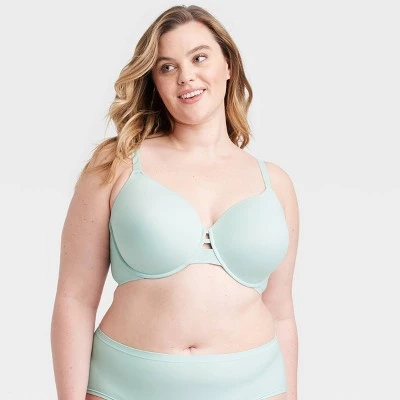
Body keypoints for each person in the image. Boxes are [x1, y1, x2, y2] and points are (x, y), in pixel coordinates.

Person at [50, 4, 299, 400]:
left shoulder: (276, 183)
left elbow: (281, 312)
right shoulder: (116, 165)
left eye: (199, 58)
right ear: (154, 81)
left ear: (228, 65)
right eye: (167, 67)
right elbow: (75, 298)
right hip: (125, 388)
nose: (186, 76)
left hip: (256, 388)